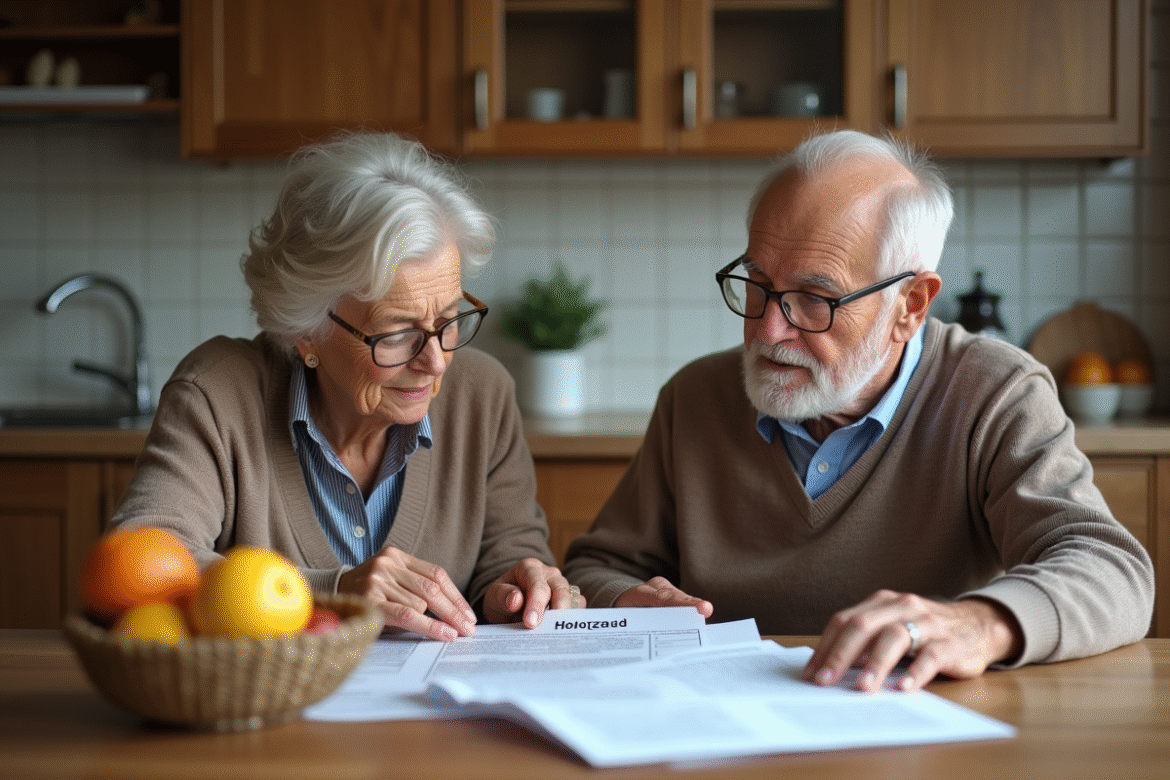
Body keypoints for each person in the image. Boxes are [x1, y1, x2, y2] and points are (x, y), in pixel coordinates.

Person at [563, 129, 1154, 692]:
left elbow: (1113, 570)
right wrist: (624, 600)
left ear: (910, 305)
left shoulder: (994, 392)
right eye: (758, 284)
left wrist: (981, 623)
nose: (769, 329)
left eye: (816, 299)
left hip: (917, 727)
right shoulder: (694, 399)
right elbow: (596, 567)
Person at [109, 131, 583, 642]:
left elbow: (511, 555)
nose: (436, 361)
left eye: (449, 321)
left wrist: (514, 591)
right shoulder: (218, 394)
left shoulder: (482, 395)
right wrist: (333, 592)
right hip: (270, 713)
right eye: (398, 334)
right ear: (306, 329)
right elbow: (142, 564)